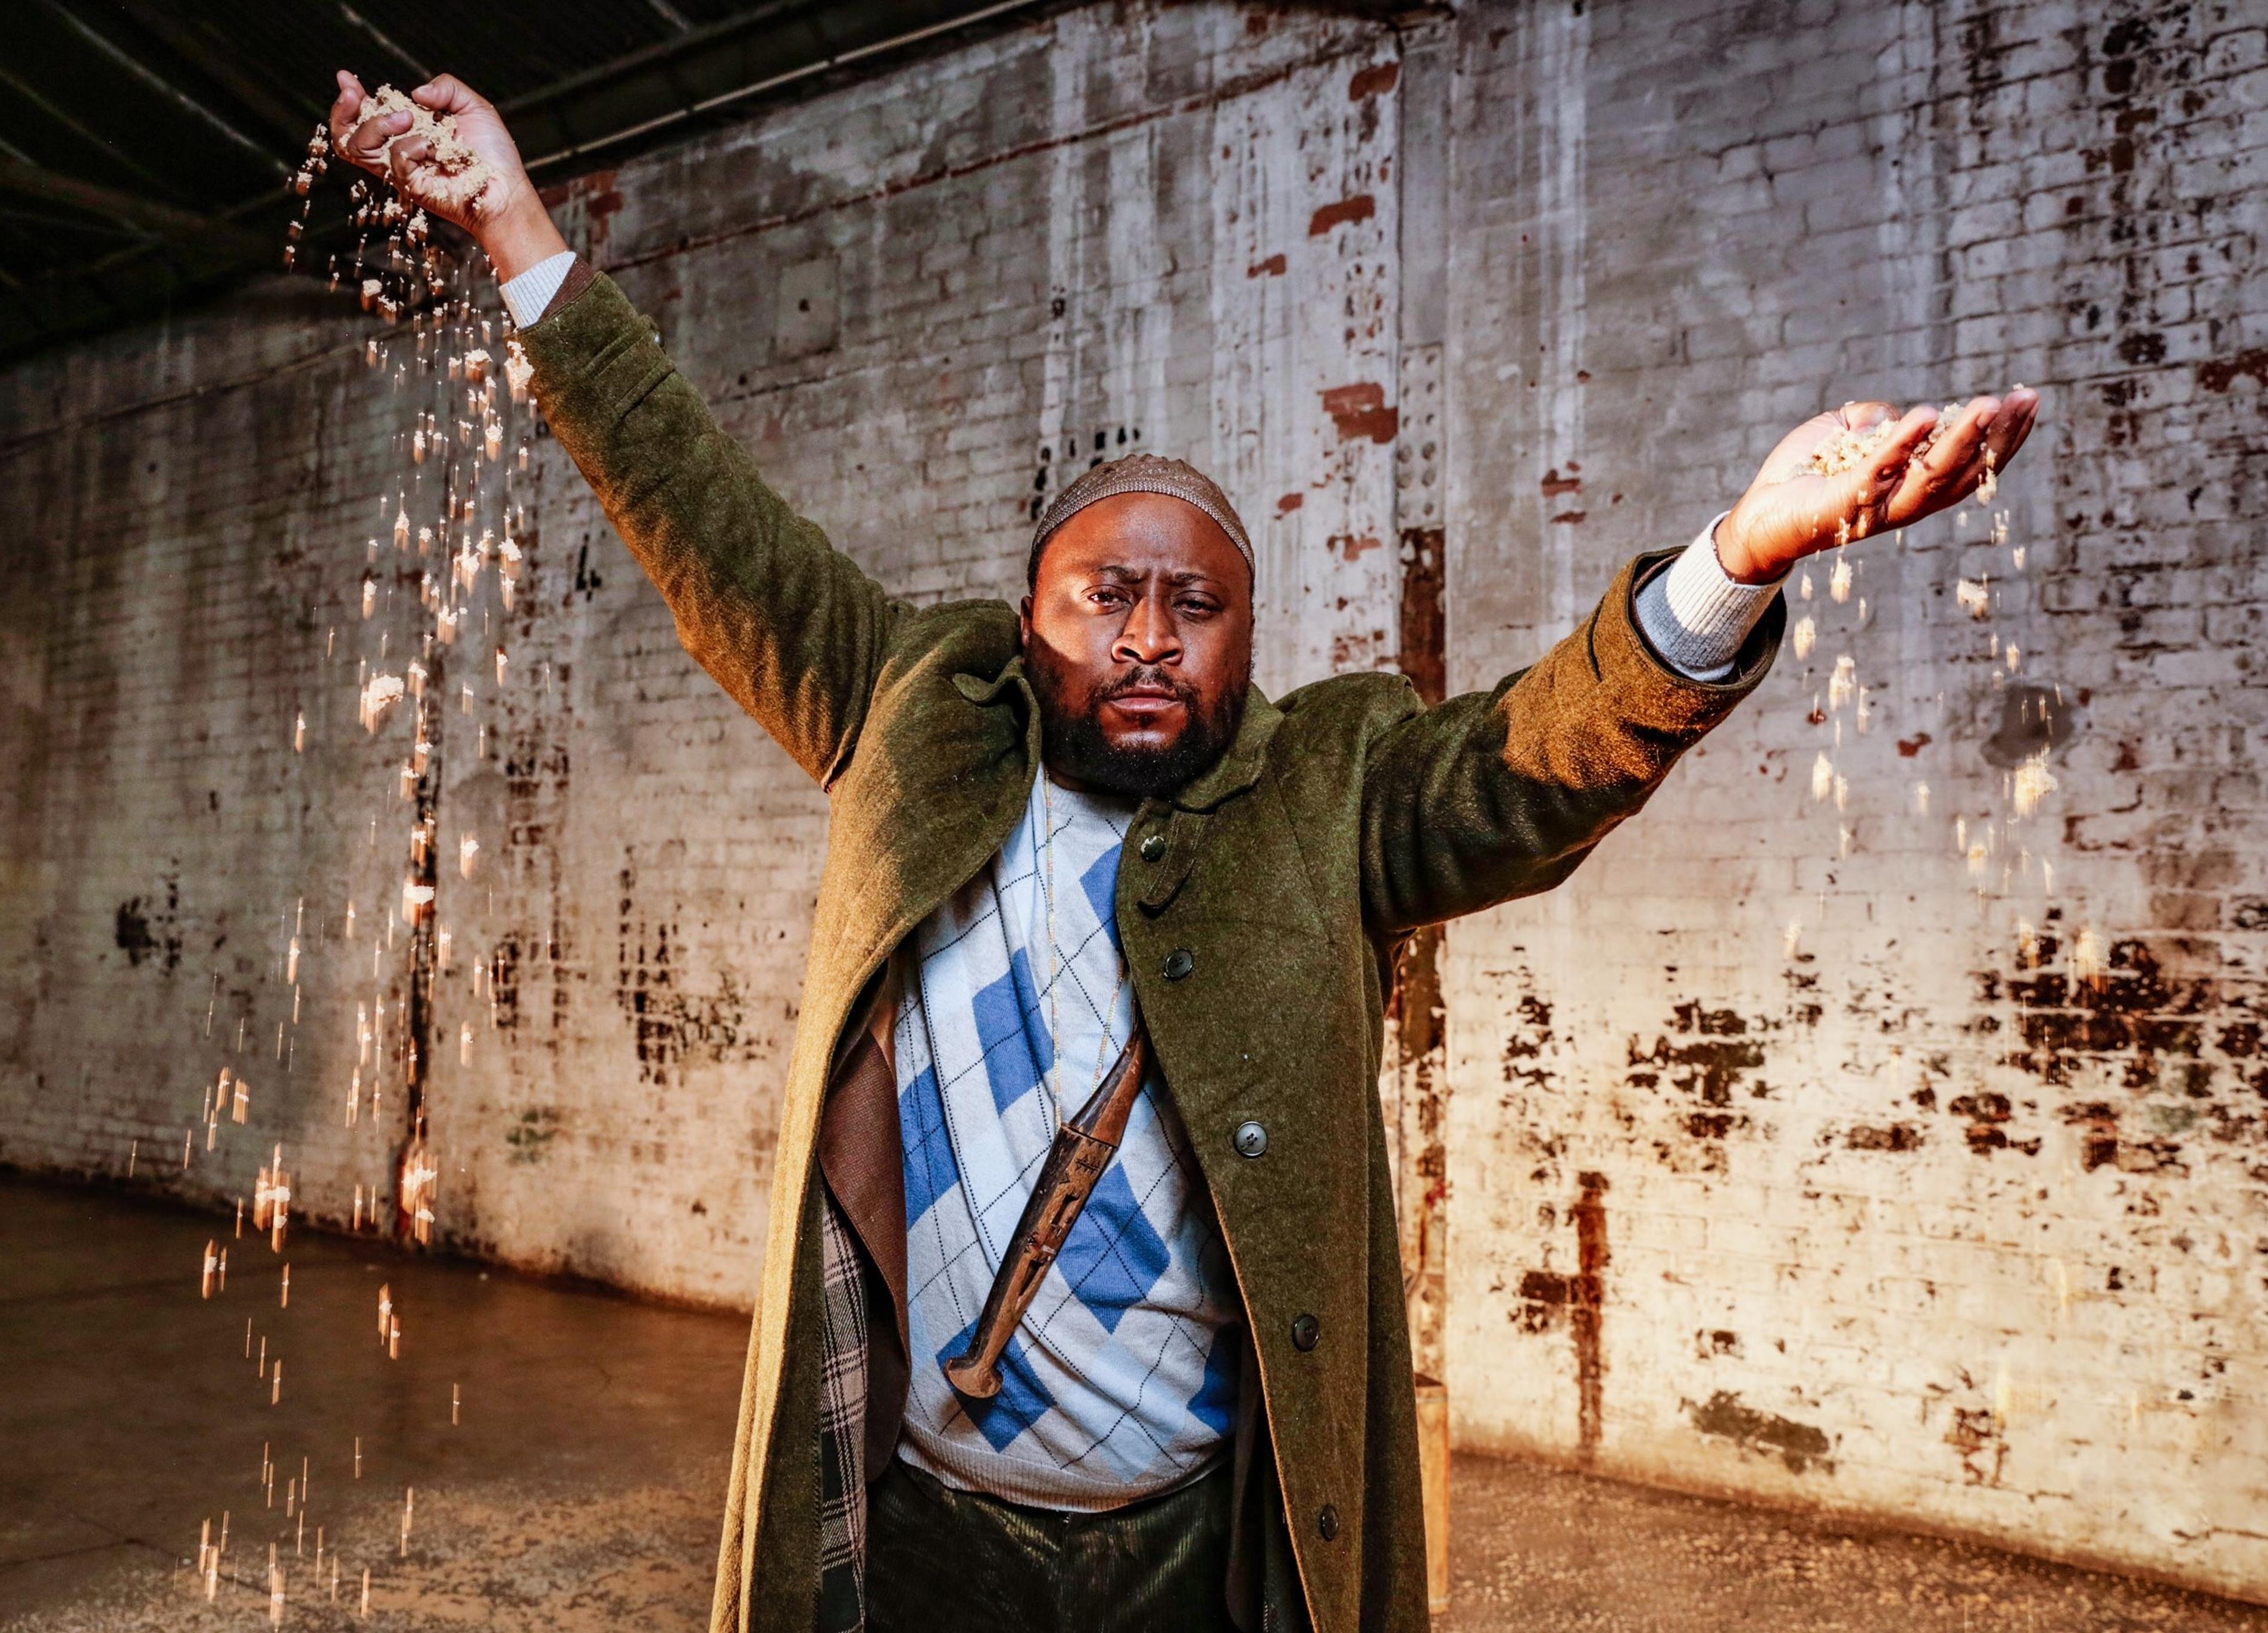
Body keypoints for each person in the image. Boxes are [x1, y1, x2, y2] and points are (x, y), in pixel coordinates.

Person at [327, 70, 2039, 1633]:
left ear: (1248, 637)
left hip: (1200, 1549)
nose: (1148, 635)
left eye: (1195, 604)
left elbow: (1538, 753)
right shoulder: (904, 706)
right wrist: (517, 229)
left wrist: (1739, 555)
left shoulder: (1335, 791)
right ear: (1030, 621)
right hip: (917, 1525)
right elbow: (701, 511)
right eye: (1107, 595)